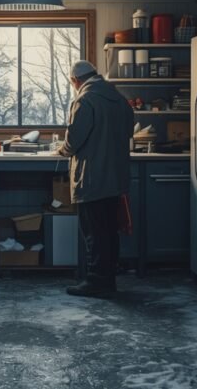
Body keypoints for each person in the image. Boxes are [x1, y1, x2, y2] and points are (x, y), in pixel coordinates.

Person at [57, 60, 134, 298]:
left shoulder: (85, 100)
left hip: (92, 177)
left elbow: (74, 140)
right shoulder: (119, 99)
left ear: (75, 81)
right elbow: (129, 132)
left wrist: (61, 150)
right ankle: (108, 279)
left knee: (93, 231)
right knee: (109, 231)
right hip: (115, 177)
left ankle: (96, 283)